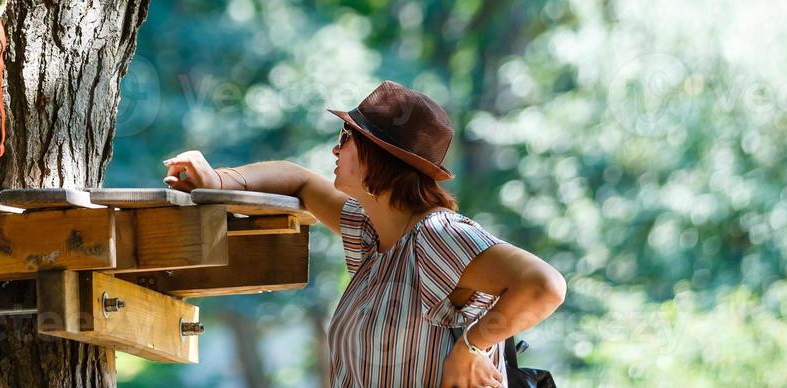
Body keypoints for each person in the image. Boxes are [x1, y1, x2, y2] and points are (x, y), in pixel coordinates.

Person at [163, 80, 566, 388]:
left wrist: (472, 346)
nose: (336, 151)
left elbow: (545, 284)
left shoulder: (436, 235)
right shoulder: (370, 233)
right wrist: (217, 179)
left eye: (346, 139)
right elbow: (299, 180)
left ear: (378, 156)